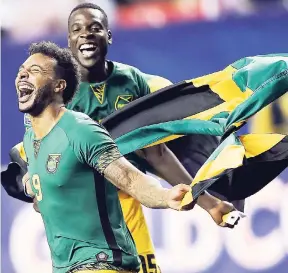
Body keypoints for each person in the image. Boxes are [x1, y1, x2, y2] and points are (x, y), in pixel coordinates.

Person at [2, 3, 238, 272]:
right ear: (68, 40)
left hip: (123, 204)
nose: (86, 35)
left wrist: (208, 202)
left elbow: (153, 155)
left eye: (95, 28)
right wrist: (31, 186)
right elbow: (31, 159)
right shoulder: (48, 105)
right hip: (81, 216)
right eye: (77, 29)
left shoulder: (130, 82)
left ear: (109, 35)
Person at [17, 41, 193, 273]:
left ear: (59, 85)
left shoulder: (80, 130)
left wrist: (164, 195)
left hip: (102, 262)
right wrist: (33, 186)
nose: (23, 75)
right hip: (66, 267)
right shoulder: (32, 137)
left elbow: (130, 179)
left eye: (35, 71)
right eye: (22, 71)